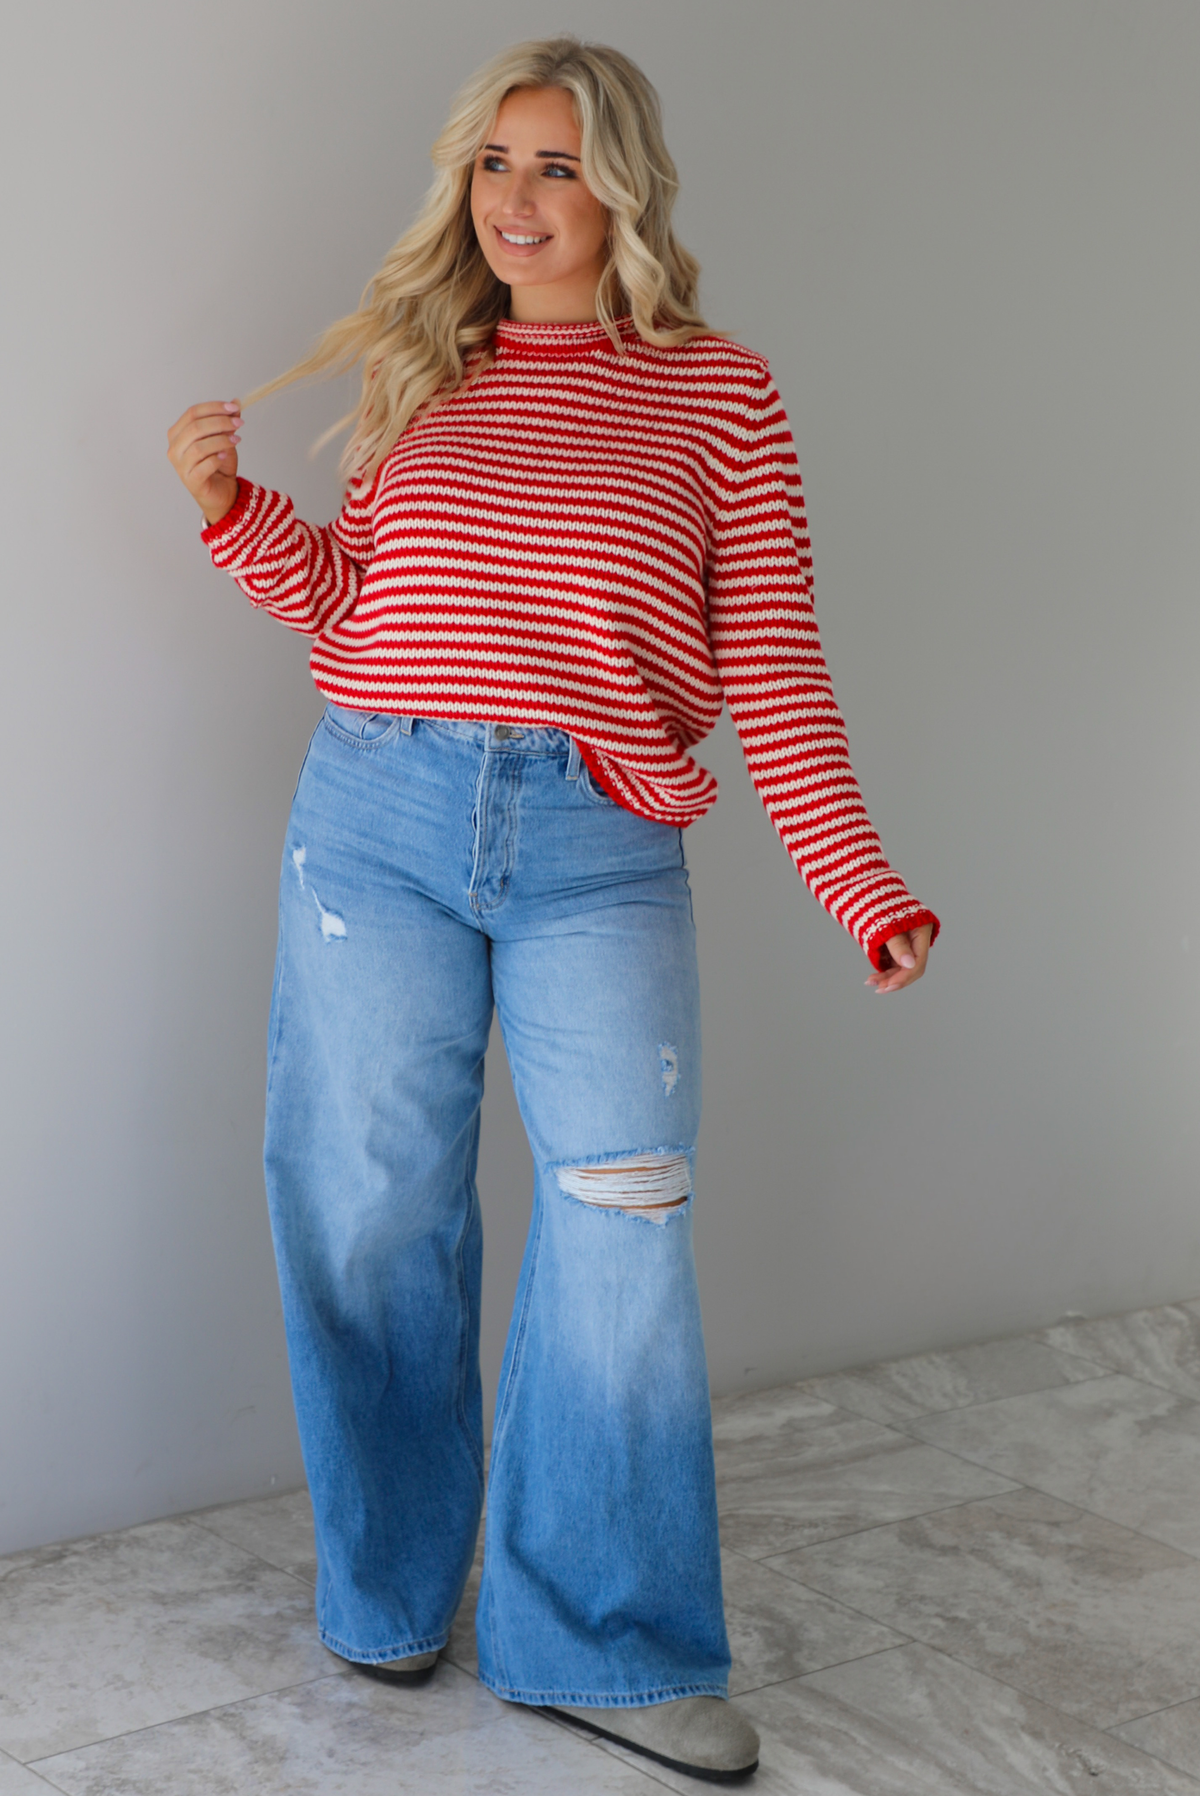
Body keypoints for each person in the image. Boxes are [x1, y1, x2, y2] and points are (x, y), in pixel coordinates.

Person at [167, 37, 937, 1785]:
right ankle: (387, 1598)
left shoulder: (721, 398)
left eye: (560, 166)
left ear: (627, 191)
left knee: (621, 1217)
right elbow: (361, 596)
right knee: (365, 1206)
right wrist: (232, 515)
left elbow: (775, 673)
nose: (520, 199)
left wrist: (859, 882)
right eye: (498, 164)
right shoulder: (420, 369)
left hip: (598, 841)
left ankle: (608, 1642)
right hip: (375, 811)